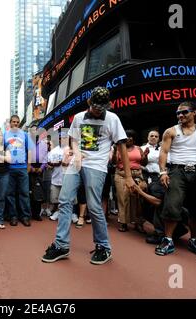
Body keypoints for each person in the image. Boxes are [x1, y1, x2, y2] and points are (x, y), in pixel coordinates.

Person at [41, 87, 135, 265]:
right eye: (96, 106)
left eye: (102, 107)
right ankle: (61, 245)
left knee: (93, 206)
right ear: (89, 103)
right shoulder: (78, 117)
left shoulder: (112, 119)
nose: (99, 110)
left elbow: (122, 146)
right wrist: (76, 153)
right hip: (77, 163)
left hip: (97, 165)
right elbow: (74, 139)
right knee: (64, 200)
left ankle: (103, 247)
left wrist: (128, 176)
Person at [156, 102, 196, 258]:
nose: (180, 115)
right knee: (172, 204)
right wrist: (163, 172)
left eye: (184, 112)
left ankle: (194, 240)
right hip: (176, 170)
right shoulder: (170, 131)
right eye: (178, 113)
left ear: (194, 112)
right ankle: (167, 240)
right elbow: (163, 153)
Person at [113, 129, 147, 233]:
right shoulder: (119, 148)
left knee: (139, 199)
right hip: (121, 175)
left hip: (137, 175)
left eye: (131, 136)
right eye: (127, 136)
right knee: (123, 199)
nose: (129, 138)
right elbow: (114, 162)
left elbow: (144, 163)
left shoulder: (138, 148)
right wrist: (115, 151)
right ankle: (123, 223)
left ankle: (139, 223)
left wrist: (145, 156)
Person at [4, 115, 32, 227]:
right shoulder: (5, 134)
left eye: (17, 122)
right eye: (13, 122)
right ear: (10, 123)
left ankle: (25, 216)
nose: (15, 123)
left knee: (24, 193)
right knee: (10, 194)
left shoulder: (24, 134)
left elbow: (29, 150)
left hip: (22, 168)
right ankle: (13, 216)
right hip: (9, 169)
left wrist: (29, 164)